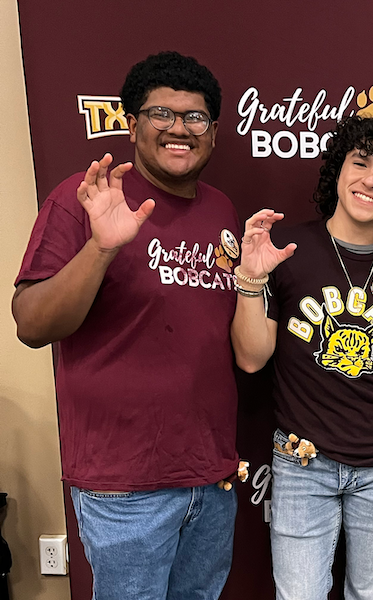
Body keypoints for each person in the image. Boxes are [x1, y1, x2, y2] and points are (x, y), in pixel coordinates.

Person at [12, 51, 241, 599]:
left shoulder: (224, 210)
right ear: (132, 124)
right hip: (123, 485)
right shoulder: (84, 199)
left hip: (210, 476)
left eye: (195, 117)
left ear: (213, 131)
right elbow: (32, 323)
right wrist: (100, 248)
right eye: (161, 113)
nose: (179, 129)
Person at [230, 115, 373, 600]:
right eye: (359, 162)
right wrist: (252, 282)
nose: (370, 179)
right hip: (303, 462)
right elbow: (252, 359)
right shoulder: (290, 254)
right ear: (336, 173)